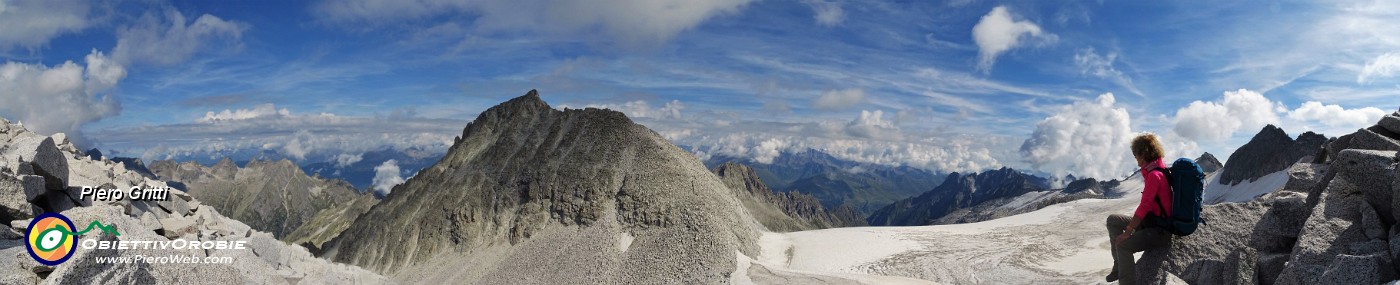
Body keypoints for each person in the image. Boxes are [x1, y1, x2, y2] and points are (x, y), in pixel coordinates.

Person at [1105, 133, 1173, 284]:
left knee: (1123, 246)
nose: (1136, 161)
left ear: (1144, 153)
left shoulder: (1155, 176)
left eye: (1136, 156)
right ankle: (1118, 266)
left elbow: (1144, 206)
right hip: (1153, 223)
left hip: (1159, 231)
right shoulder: (1158, 170)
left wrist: (1128, 231)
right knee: (1113, 220)